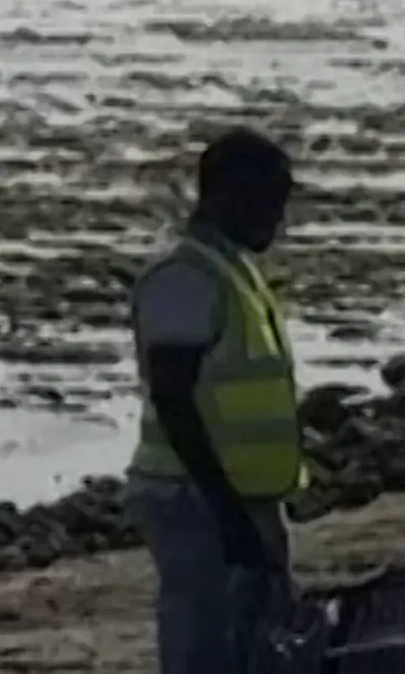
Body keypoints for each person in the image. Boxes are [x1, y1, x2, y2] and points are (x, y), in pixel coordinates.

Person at [126, 129, 302, 674]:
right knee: (202, 648)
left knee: (255, 644)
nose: (277, 218)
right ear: (228, 193)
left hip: (240, 498)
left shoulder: (236, 272)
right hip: (194, 499)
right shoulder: (184, 278)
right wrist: (227, 514)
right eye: (269, 202)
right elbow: (174, 400)